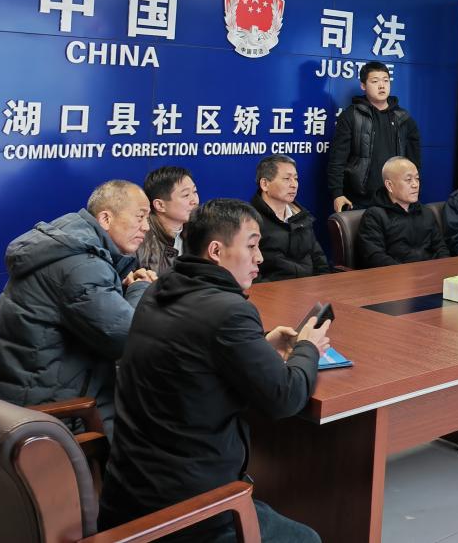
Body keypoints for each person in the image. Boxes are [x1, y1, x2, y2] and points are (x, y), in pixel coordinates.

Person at [98, 198, 329, 543]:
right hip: (185, 510)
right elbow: (286, 397)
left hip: (130, 491)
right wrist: (308, 347)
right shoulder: (229, 311)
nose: (260, 258)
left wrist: (261, 346)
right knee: (307, 539)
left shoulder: (159, 289)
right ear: (217, 251)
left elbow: (193, 358)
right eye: (251, 246)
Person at [0, 181, 156, 432]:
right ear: (106, 218)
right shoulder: (81, 265)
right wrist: (141, 289)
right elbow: (126, 339)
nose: (146, 227)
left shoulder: (67, 244)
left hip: (3, 395)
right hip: (49, 416)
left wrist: (123, 287)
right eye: (140, 217)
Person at [327, 61, 421, 213]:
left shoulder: (404, 118)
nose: (382, 86)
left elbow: (414, 162)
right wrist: (337, 193)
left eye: (386, 80)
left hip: (396, 198)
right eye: (375, 81)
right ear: (363, 86)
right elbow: (337, 159)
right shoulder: (351, 116)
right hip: (360, 199)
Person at [251, 154, 330, 280]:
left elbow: (319, 260)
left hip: (309, 287)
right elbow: (250, 273)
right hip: (273, 290)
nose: (294, 185)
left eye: (296, 179)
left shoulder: (302, 217)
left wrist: (322, 285)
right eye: (287, 179)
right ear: (265, 184)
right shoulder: (250, 221)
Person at [358, 158, 448, 267]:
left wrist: (443, 268)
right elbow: (375, 257)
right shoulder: (374, 216)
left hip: (430, 272)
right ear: (389, 185)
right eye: (408, 180)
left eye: (417, 179)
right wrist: (407, 273)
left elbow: (441, 248)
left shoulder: (426, 212)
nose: (415, 184)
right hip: (395, 275)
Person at [139, 165, 199, 276]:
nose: (194, 201)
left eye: (195, 192)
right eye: (186, 195)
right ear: (160, 205)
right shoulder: (139, 240)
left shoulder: (200, 232)